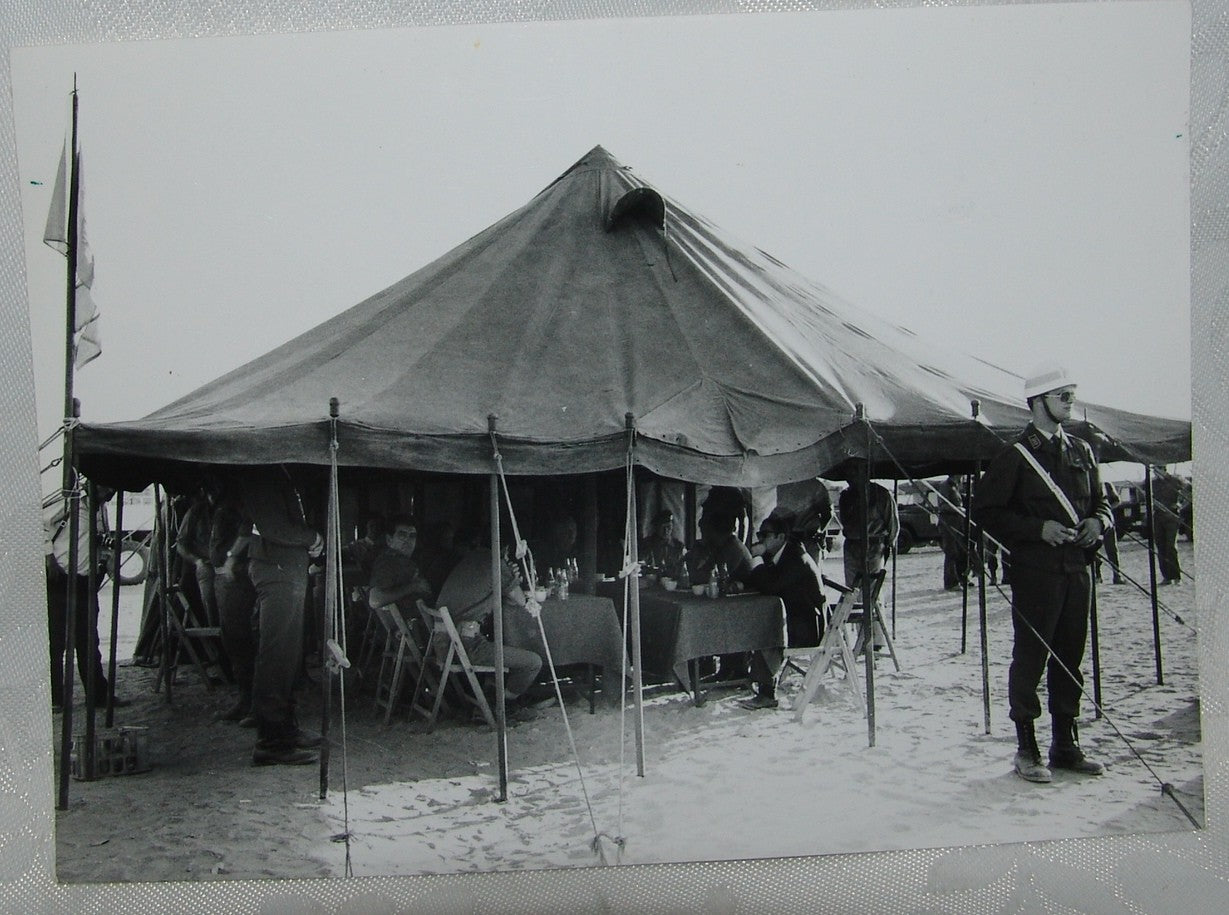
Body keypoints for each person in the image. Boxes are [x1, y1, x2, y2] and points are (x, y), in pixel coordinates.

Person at [972, 363, 1114, 784]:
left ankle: (1065, 745)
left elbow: (1103, 504)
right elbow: (986, 512)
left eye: (1072, 395)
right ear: (1038, 402)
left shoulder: (1082, 451)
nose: (1070, 403)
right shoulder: (1015, 456)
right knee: (1031, 659)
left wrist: (1099, 524)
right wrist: (1037, 529)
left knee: (1071, 658)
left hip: (1077, 571)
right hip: (1036, 573)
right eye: (1063, 396)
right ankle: (1027, 748)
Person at [238, 471, 325, 767]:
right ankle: (271, 741)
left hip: (285, 569)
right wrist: (311, 536)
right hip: (277, 569)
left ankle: (285, 729)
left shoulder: (280, 471)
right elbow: (273, 527)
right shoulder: (262, 474)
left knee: (287, 655)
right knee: (277, 654)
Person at [45, 482, 130, 710]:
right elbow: (39, 524)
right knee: (56, 641)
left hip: (85, 581)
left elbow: (102, 541)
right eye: (104, 488)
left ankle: (98, 695)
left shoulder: (101, 510)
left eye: (110, 490)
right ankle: (55, 699)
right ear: (91, 486)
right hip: (61, 579)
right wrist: (48, 556)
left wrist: (108, 561)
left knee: (88, 640)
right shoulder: (69, 503)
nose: (109, 493)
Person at [736, 507, 827, 710]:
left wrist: (757, 560)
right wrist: (743, 580)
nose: (760, 539)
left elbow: (770, 585)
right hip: (793, 616)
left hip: (807, 626)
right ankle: (750, 678)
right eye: (759, 534)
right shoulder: (779, 553)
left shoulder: (795, 557)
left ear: (780, 536)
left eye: (764, 535)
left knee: (767, 629)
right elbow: (759, 579)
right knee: (764, 623)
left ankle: (767, 693)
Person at [435, 548, 543, 713]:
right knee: (533, 662)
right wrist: (511, 577)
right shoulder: (496, 563)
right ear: (506, 550)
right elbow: (520, 600)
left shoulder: (470, 559)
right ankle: (502, 704)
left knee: (496, 639)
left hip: (442, 644)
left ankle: (494, 693)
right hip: (463, 646)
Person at [210, 481, 257, 723]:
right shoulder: (222, 506)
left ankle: (252, 705)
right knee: (233, 641)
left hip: (236, 579)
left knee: (241, 640)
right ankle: (245, 700)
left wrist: (231, 557)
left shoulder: (235, 505)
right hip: (226, 578)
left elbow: (248, 530)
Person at [837, 464, 898, 651]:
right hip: (852, 545)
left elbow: (892, 523)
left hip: (873, 545)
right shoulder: (846, 496)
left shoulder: (881, 494)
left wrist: (886, 546)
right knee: (852, 592)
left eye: (853, 472)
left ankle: (875, 639)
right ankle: (861, 637)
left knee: (872, 592)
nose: (850, 477)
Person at [367, 515, 434, 614]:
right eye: (402, 535)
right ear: (389, 540)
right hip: (410, 625)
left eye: (412, 536)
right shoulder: (389, 561)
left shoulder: (402, 561)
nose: (407, 540)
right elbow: (375, 600)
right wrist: (414, 586)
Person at [176, 484, 220, 627]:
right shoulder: (196, 512)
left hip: (225, 564)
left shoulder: (229, 510)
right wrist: (197, 561)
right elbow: (180, 544)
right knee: (207, 581)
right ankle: (213, 630)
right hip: (204, 564)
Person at [1151, 472, 1184, 585]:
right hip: (1158, 517)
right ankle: (1166, 577)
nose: (1156, 472)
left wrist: (1180, 505)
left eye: (1158, 468)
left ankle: (1176, 576)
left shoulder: (1175, 480)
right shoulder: (1153, 483)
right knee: (1161, 547)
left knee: (1171, 547)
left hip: (1171, 517)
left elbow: (1188, 492)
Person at [938, 475, 970, 591]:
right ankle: (951, 582)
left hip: (958, 523)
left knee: (962, 551)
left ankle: (962, 578)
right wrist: (958, 509)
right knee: (951, 552)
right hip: (948, 523)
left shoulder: (957, 486)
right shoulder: (945, 486)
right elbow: (943, 505)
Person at [1096, 480, 1125, 585]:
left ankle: (1117, 576)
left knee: (1112, 550)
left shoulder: (1107, 485)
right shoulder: (1091, 484)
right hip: (1095, 523)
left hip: (1108, 523)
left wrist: (1106, 510)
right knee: (1095, 551)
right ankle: (1097, 576)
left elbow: (1117, 501)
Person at [639, 509, 684, 576]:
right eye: (662, 527)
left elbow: (682, 569)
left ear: (672, 527)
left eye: (668, 527)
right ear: (656, 527)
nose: (666, 531)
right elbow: (641, 566)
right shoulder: (647, 544)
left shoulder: (678, 546)